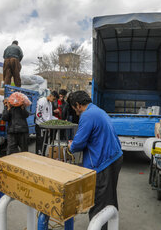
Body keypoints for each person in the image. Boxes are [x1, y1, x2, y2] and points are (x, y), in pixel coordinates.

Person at [67, 91, 123, 230]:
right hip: (114, 157)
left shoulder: (87, 115)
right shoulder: (98, 110)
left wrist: (71, 146)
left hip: (103, 161)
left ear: (78, 105)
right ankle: (110, 224)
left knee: (98, 199)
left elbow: (79, 143)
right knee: (109, 196)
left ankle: (99, 226)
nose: (76, 112)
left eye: (74, 108)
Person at [35, 91, 59, 155]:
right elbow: (38, 114)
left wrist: (56, 120)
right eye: (53, 99)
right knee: (40, 141)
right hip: (40, 125)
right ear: (50, 95)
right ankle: (39, 155)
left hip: (46, 126)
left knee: (45, 141)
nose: (53, 101)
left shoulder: (50, 103)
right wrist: (45, 123)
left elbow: (49, 116)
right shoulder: (42, 101)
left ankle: (43, 154)